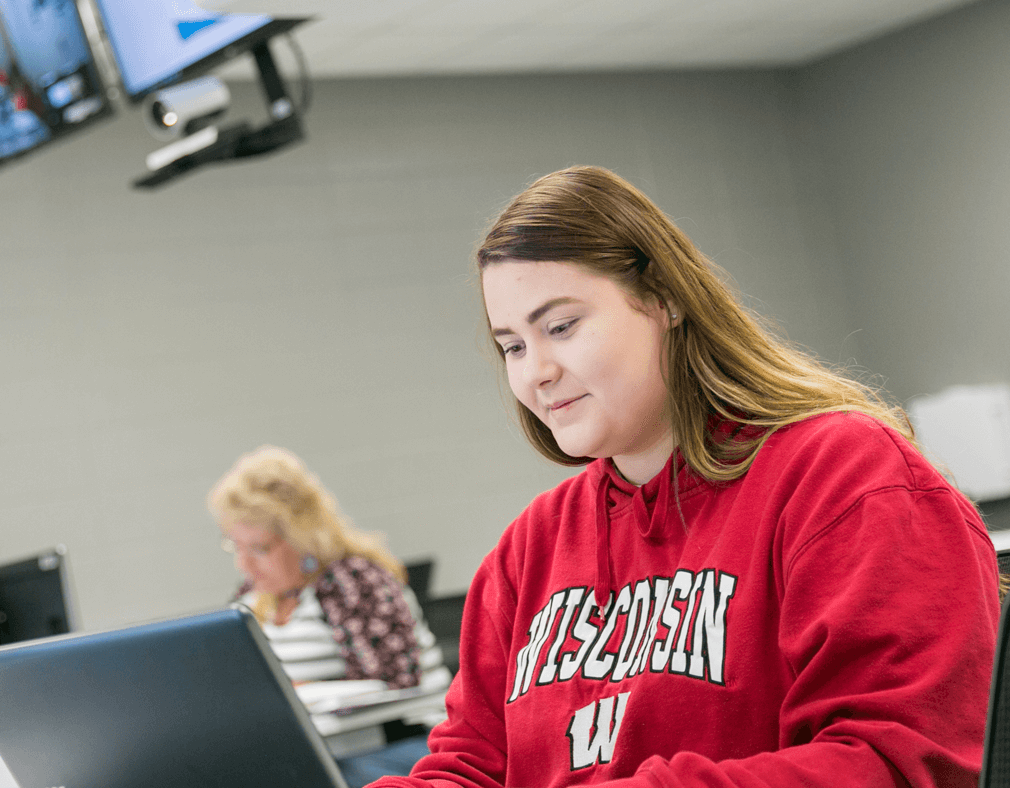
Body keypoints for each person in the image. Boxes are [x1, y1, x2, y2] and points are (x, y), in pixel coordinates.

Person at [368, 166, 1001, 788]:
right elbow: (471, 768)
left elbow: (904, 760)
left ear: (664, 299)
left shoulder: (845, 474)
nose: (536, 372)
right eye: (513, 346)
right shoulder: (527, 550)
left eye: (560, 327)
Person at [207, 445, 453, 787]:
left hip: (399, 745)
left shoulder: (353, 581)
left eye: (259, 548)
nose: (244, 564)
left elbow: (396, 683)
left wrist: (288, 693)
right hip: (313, 753)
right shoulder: (246, 600)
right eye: (236, 546)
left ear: (300, 536)